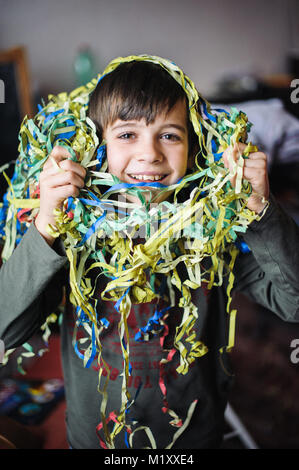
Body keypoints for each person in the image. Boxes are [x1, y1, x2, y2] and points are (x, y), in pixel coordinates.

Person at [0, 56, 299, 450]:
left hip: (193, 439)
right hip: (94, 442)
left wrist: (262, 213)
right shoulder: (75, 237)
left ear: (194, 149)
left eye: (170, 135)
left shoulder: (213, 236)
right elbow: (6, 329)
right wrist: (46, 226)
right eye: (126, 135)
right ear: (96, 146)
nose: (150, 153)